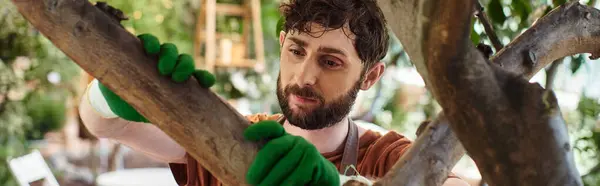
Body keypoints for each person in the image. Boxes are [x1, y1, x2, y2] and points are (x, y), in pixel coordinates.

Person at [79, 0, 470, 185]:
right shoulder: (231, 136)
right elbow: (106, 125)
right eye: (297, 51)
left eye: (330, 62)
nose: (304, 76)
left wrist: (342, 185)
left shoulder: (388, 157)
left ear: (370, 76)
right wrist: (113, 91)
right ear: (282, 43)